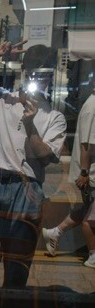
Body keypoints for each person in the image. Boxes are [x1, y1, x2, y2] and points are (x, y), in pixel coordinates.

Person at [0, 41, 67, 287]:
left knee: (17, 266)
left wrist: (30, 125)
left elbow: (43, 156)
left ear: (51, 76)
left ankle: (12, 307)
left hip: (26, 189)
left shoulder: (54, 116)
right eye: (33, 74)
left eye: (43, 75)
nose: (37, 81)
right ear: (23, 71)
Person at [42, 70, 95, 268]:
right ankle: (93, 255)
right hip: (90, 173)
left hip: (89, 172)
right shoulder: (92, 108)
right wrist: (84, 172)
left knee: (88, 210)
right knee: (90, 217)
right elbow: (86, 144)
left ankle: (55, 232)